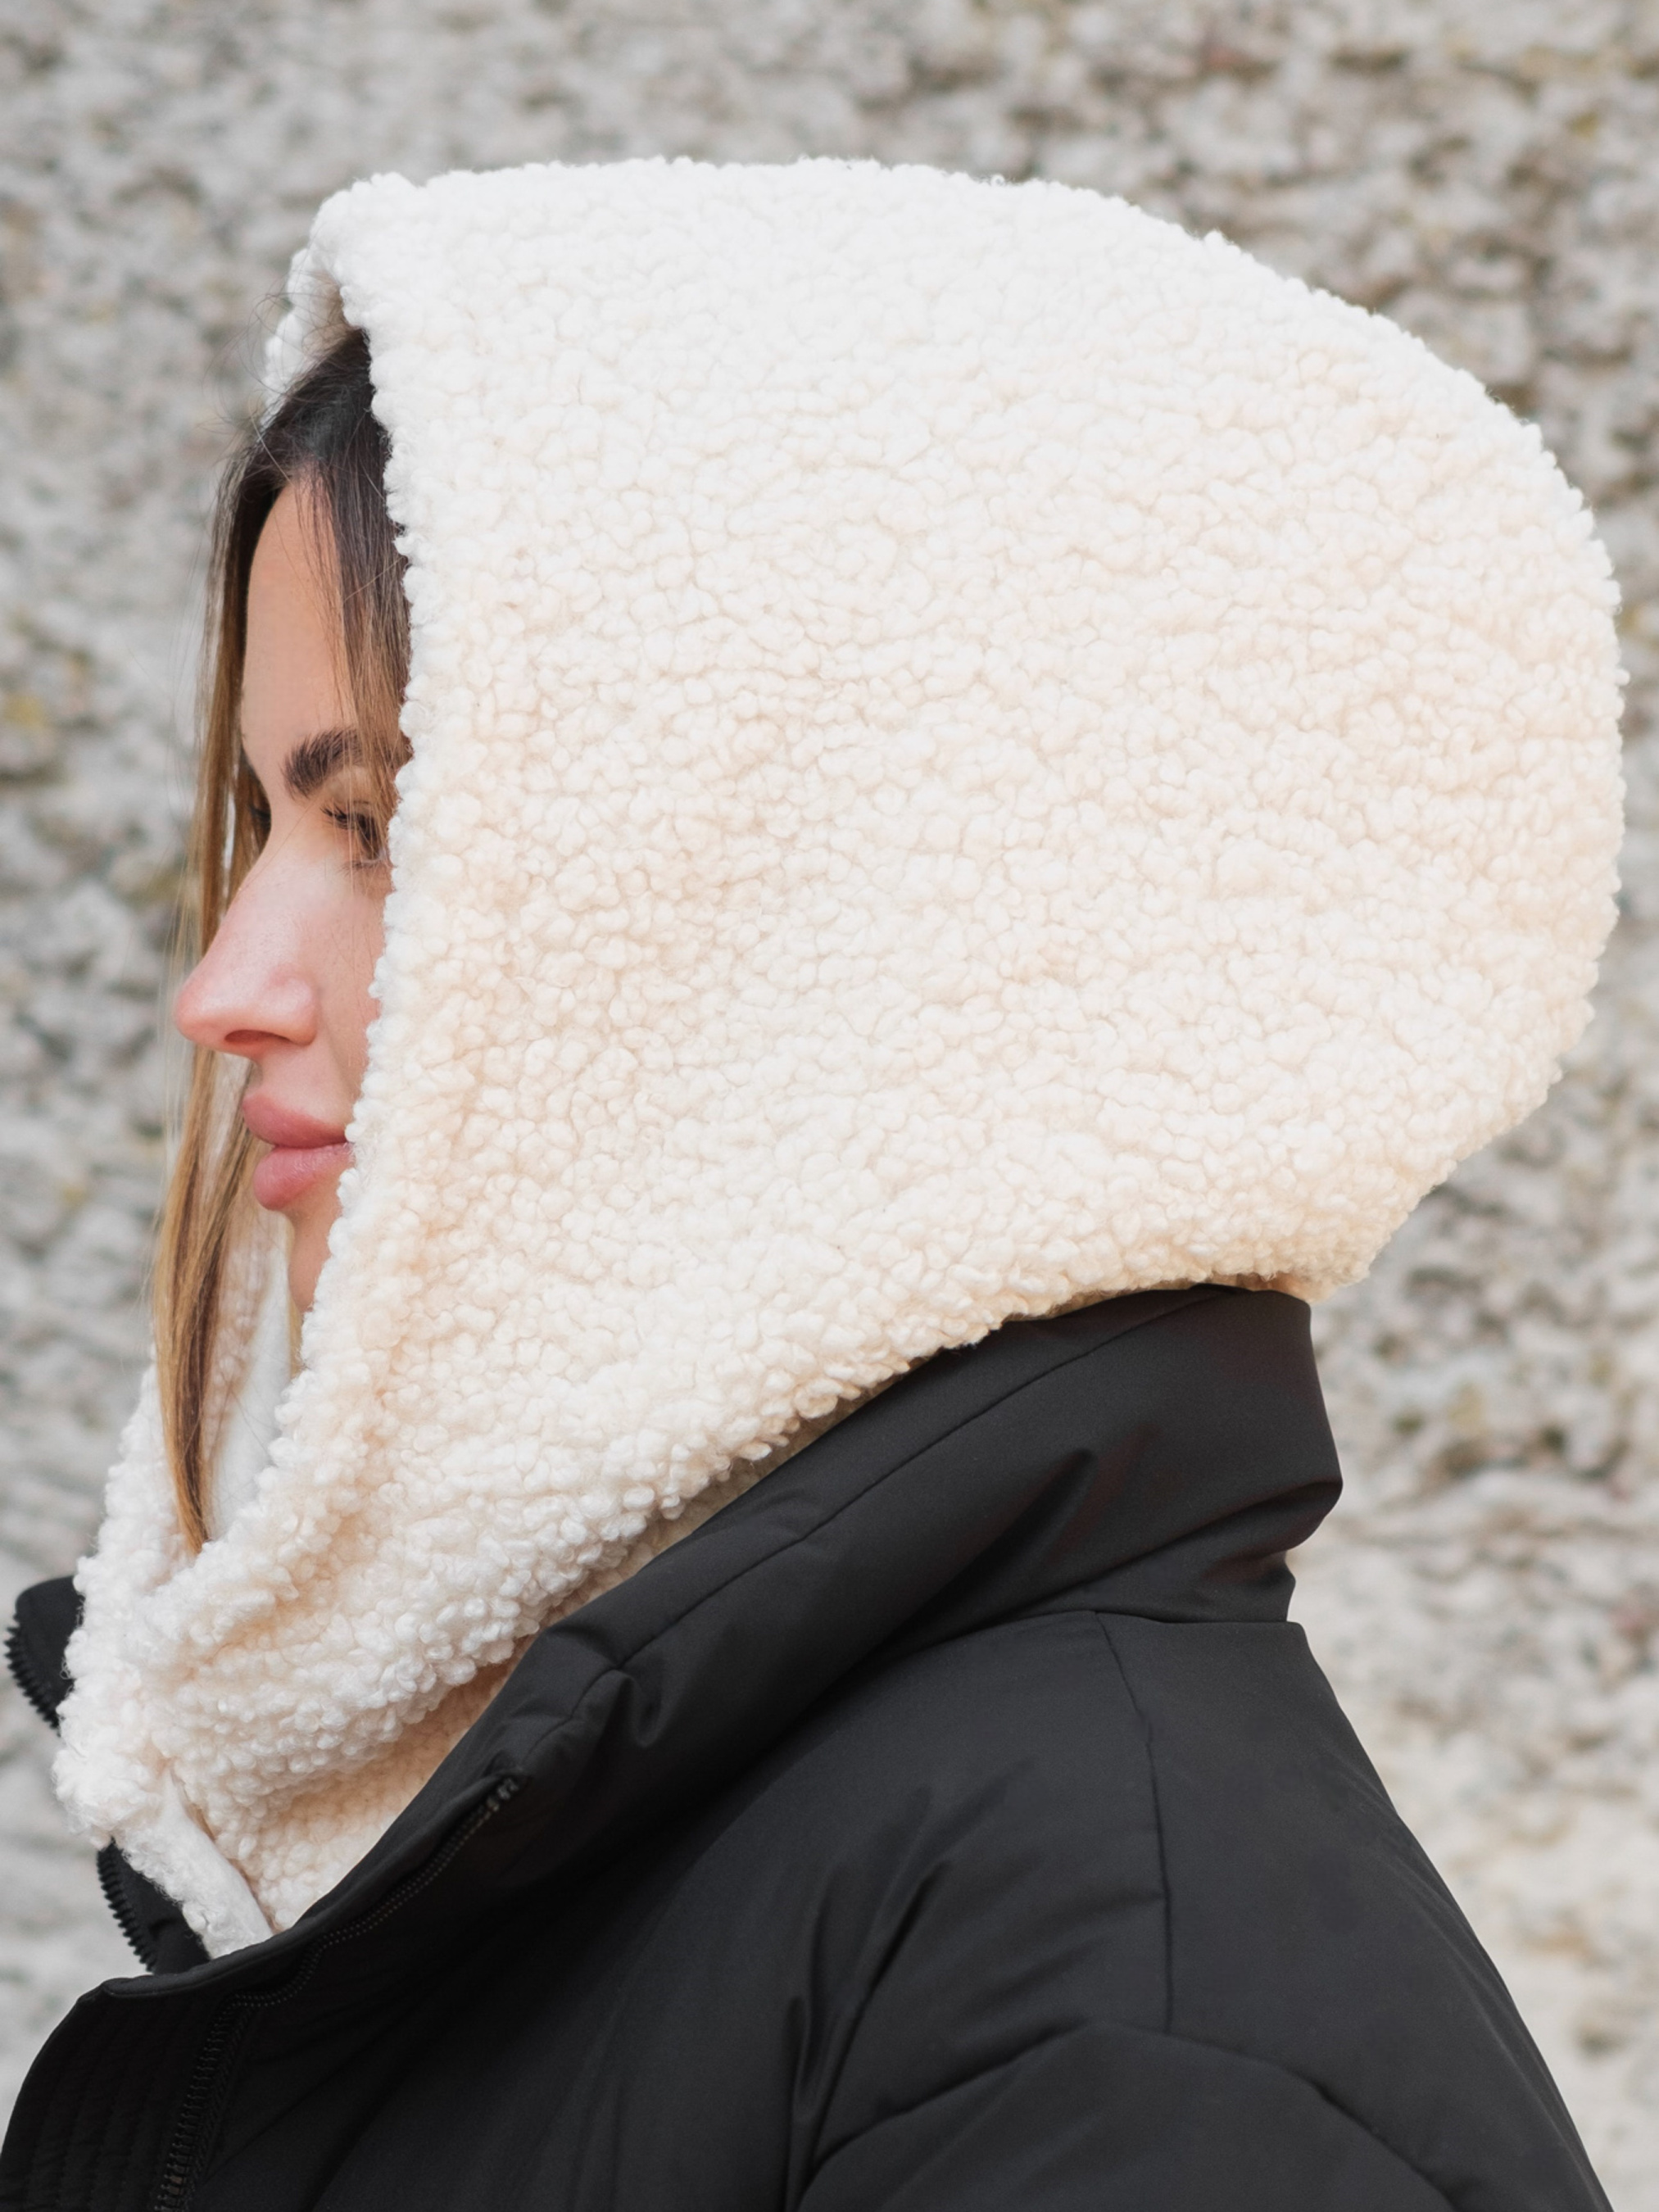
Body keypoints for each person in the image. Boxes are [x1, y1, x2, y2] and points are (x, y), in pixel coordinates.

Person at [3, 156, 1623, 2209]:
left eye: (384, 830)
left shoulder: (1116, 2035)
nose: (226, 988)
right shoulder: (643, 1847)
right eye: (266, 825)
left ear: (827, 915)